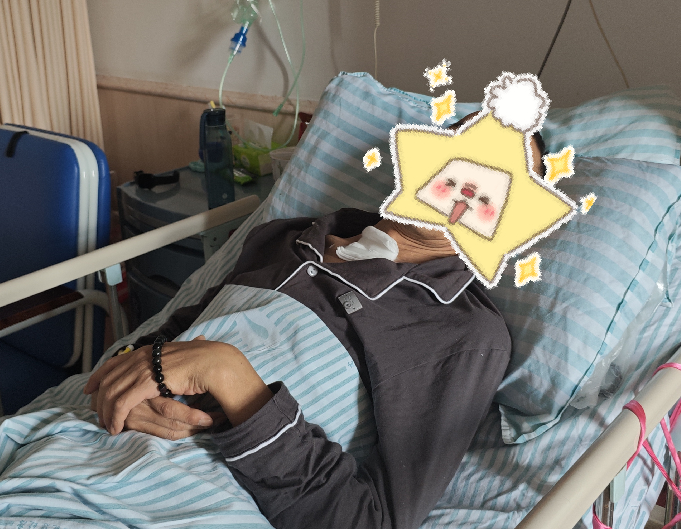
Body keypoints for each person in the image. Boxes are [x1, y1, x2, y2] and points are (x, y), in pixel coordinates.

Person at [84, 117, 546, 529]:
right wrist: (131, 378)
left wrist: (230, 375)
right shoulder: (287, 238)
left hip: (179, 502)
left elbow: (372, 521)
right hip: (87, 447)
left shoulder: (461, 332)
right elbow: (173, 333)